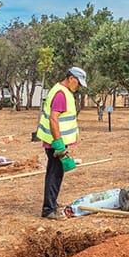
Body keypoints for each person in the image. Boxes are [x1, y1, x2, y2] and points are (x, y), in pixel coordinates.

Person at [36, 67, 87, 220]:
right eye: (78, 83)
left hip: (55, 142)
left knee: (56, 173)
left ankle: (52, 203)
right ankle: (48, 210)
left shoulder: (62, 91)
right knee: (54, 174)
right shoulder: (61, 94)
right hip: (55, 144)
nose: (78, 87)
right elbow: (53, 119)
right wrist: (59, 144)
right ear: (71, 78)